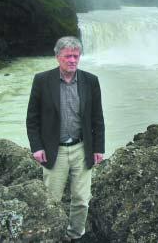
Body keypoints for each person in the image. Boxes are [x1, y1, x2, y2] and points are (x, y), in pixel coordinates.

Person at [26, 36, 105, 241]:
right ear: (57, 57)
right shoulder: (42, 80)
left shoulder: (90, 80)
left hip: (82, 147)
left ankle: (75, 235)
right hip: (55, 150)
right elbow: (32, 119)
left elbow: (98, 118)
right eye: (68, 56)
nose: (72, 60)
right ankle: (52, 236)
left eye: (76, 56)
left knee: (81, 199)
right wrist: (36, 147)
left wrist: (99, 148)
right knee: (51, 200)